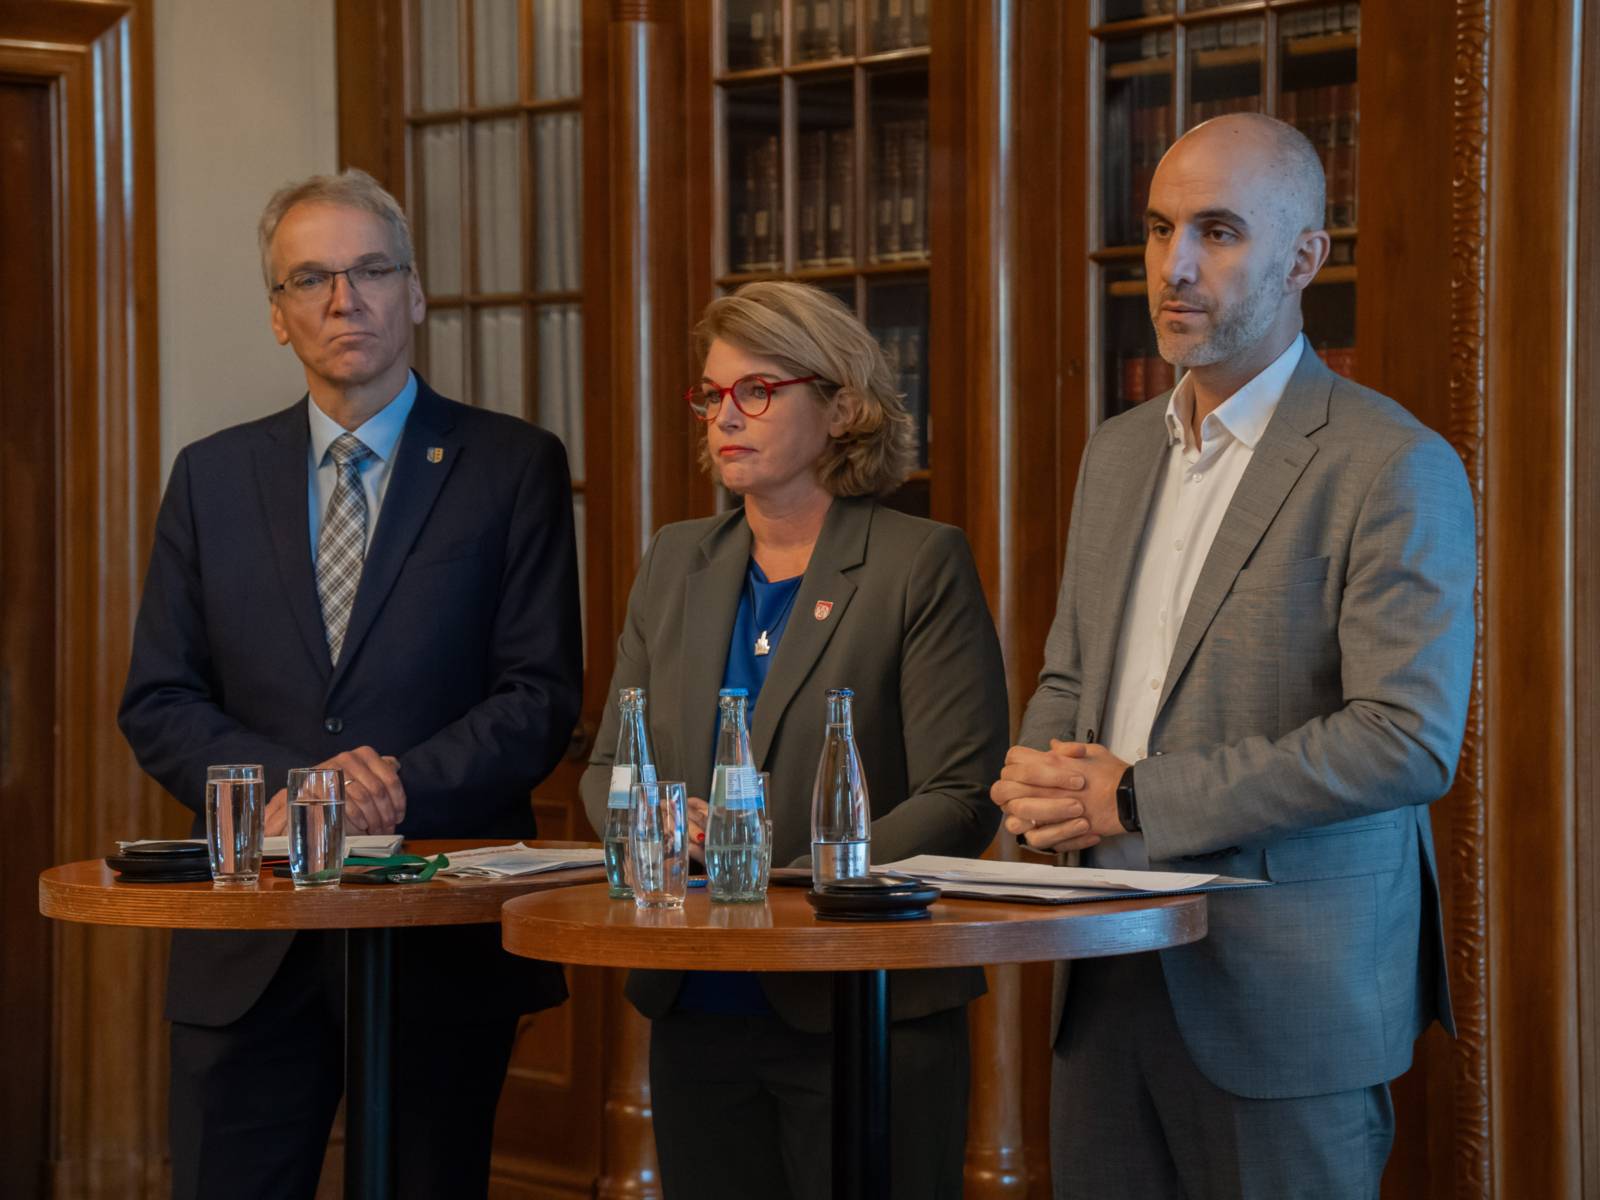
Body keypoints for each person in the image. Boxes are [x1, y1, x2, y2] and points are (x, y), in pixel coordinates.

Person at [993, 113, 1475, 1199]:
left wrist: (1134, 800)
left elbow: (1404, 740)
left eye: (1218, 232)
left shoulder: (1391, 463)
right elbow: (1072, 679)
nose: (1174, 267)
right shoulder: (1115, 453)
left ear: (1305, 256)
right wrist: (1040, 788)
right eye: (1161, 229)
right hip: (1102, 970)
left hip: (1286, 998)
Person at [118, 169, 582, 1200]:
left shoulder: (513, 467)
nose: (346, 299)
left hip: (437, 940)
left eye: (372, 270)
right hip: (250, 942)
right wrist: (301, 787)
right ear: (278, 316)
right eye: (312, 278)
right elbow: (159, 698)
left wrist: (397, 786)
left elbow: (537, 694)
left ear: (414, 292)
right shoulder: (210, 476)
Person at [580, 280, 1007, 1199]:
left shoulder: (917, 562)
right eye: (711, 394)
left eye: (757, 391)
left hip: (861, 1002)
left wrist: (772, 871)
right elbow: (612, 763)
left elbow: (960, 798)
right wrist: (653, 816)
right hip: (698, 996)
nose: (724, 416)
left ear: (842, 407)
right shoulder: (674, 560)